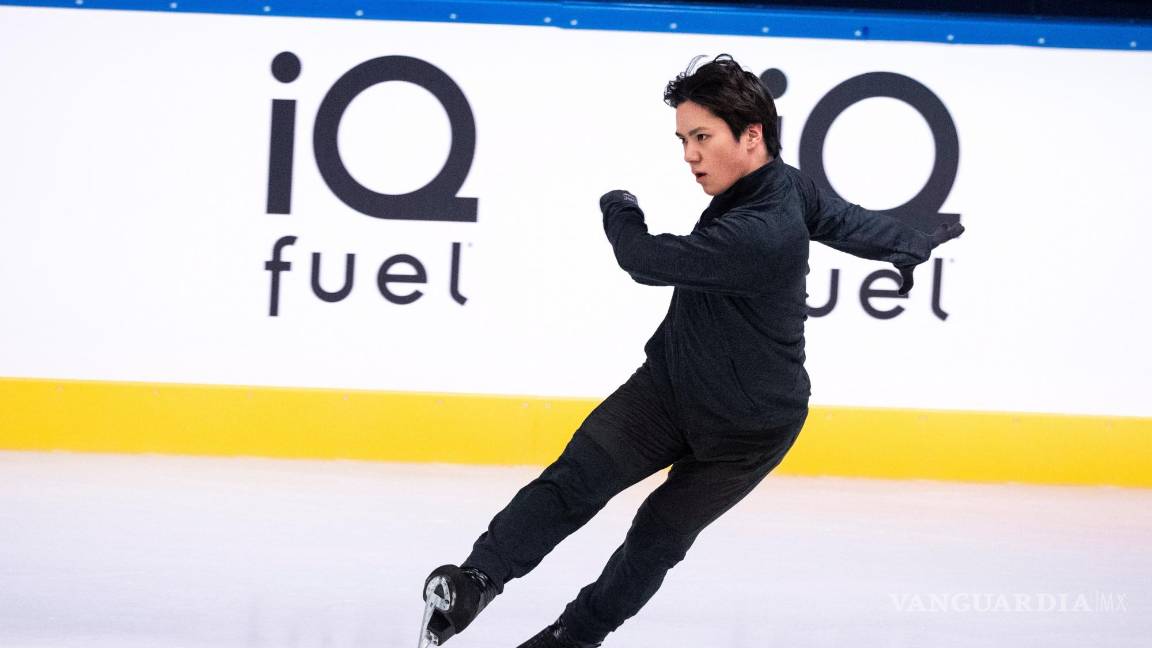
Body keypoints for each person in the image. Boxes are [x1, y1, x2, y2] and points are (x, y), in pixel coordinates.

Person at [419, 54, 964, 648]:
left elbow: (644, 260)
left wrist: (619, 208)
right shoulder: (785, 183)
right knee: (576, 479)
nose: (689, 156)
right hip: (670, 388)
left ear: (751, 136)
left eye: (701, 138)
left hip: (746, 432)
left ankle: (571, 639)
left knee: (654, 539)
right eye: (683, 139)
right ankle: (475, 580)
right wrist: (905, 242)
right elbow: (842, 219)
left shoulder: (761, 233)